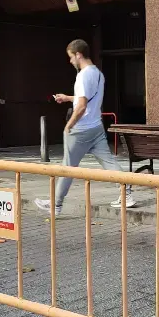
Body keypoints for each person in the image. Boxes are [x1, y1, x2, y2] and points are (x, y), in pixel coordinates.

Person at [35, 39, 135, 216]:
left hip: (80, 130)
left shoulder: (82, 76)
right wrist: (67, 98)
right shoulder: (98, 74)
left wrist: (69, 125)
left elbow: (81, 106)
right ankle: (127, 195)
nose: (70, 61)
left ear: (78, 54)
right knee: (109, 162)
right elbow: (87, 98)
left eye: (71, 57)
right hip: (96, 127)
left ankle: (56, 205)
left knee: (67, 167)